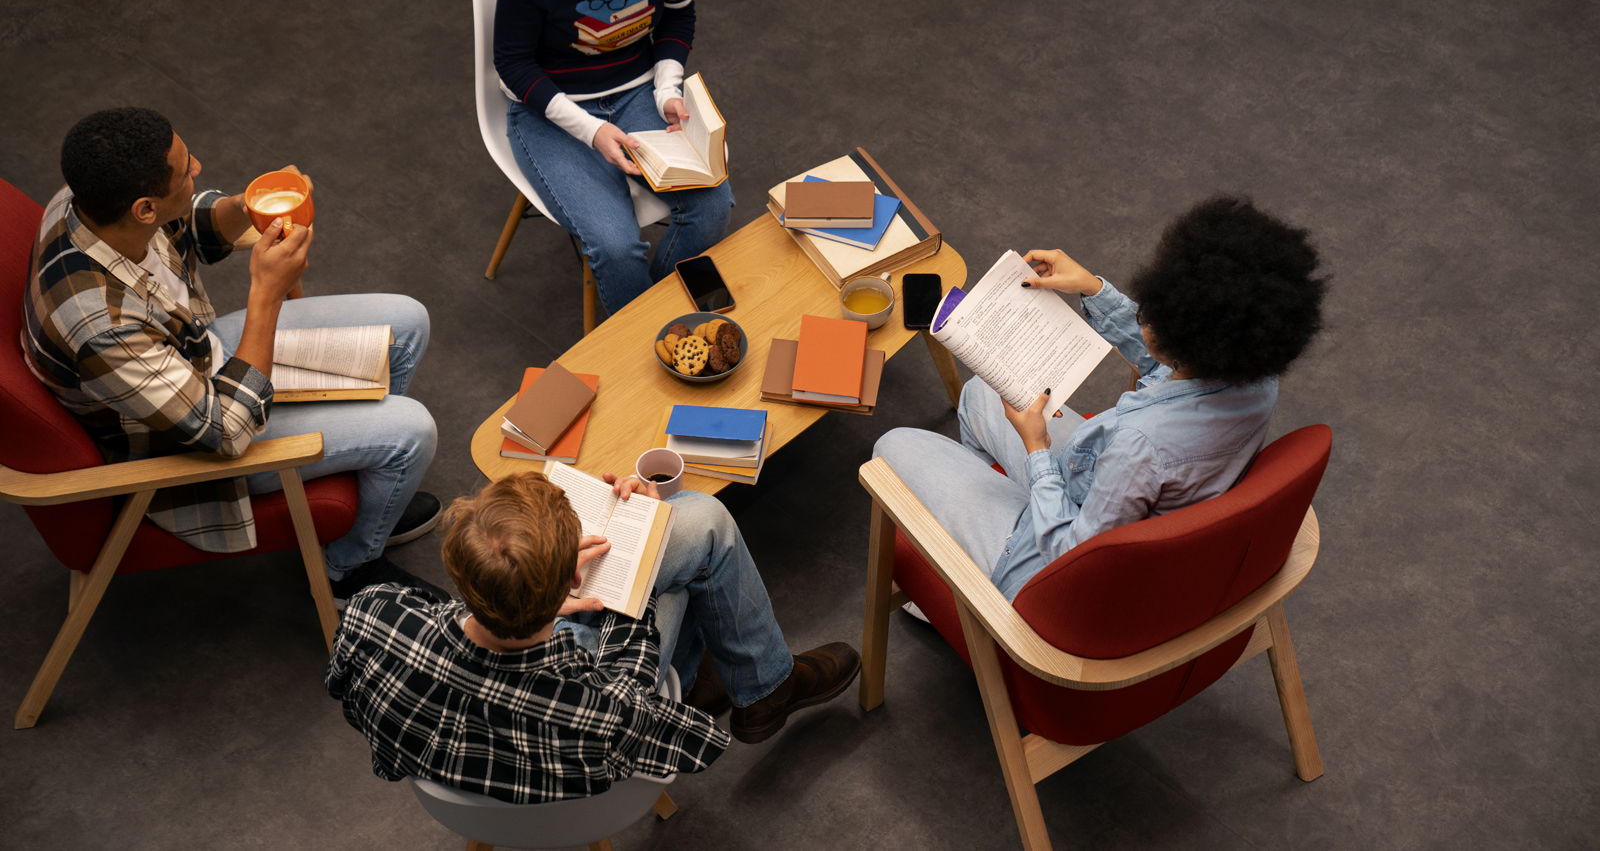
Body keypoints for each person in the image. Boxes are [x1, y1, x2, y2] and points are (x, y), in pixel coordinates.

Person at [22, 107, 447, 605]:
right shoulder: (100, 328)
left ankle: (365, 480)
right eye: (185, 170)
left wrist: (247, 206)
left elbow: (180, 226)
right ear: (143, 208)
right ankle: (348, 570)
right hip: (184, 447)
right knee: (412, 431)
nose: (198, 166)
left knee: (406, 323)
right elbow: (225, 431)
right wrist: (266, 294)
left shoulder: (86, 203)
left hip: (192, 353)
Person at [875, 196, 1326, 602]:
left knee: (891, 448)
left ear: (1184, 337)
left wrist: (1036, 452)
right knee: (980, 392)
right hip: (1114, 505)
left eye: (1151, 315)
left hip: (1049, 560)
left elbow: (1073, 555)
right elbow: (1168, 368)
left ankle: (980, 583)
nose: (1143, 316)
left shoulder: (1139, 447)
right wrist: (1093, 288)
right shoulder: (1255, 376)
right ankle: (984, 530)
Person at [326, 470, 862, 801]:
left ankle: (728, 678)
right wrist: (644, 532)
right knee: (693, 549)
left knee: (688, 549)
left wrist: (532, 591)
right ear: (568, 581)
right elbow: (695, 743)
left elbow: (344, 688)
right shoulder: (607, 704)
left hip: (469, 731)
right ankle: (766, 687)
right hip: (576, 744)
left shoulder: (372, 614)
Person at [494, 0, 733, 316]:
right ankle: (649, 343)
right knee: (617, 246)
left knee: (714, 207)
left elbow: (676, 18)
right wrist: (589, 130)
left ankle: (655, 318)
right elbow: (512, 66)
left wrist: (667, 89)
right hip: (550, 110)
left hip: (637, 91)